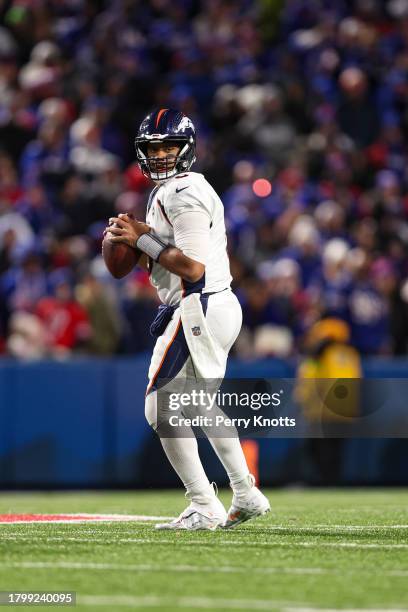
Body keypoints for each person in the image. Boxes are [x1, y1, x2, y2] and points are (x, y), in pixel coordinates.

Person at [105, 108, 270, 530]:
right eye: (152, 147)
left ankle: (203, 503)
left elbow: (193, 268)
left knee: (159, 407)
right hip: (210, 305)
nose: (160, 155)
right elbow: (165, 259)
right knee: (196, 403)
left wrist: (141, 238)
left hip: (199, 304)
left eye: (168, 146)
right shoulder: (173, 190)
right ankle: (246, 493)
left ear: (187, 148)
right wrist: (138, 242)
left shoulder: (182, 192)